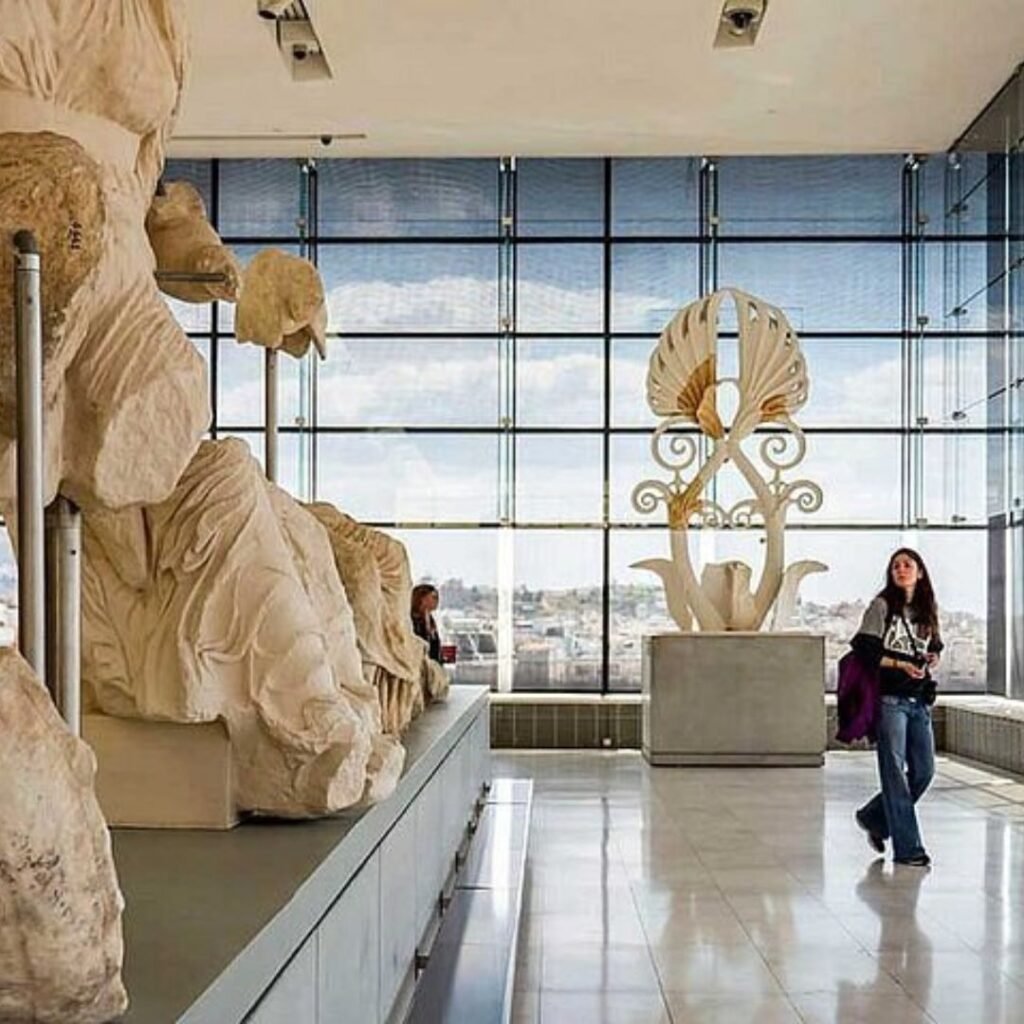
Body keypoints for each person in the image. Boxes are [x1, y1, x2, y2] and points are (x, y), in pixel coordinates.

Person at [852, 548, 943, 868]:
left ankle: (873, 818)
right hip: (890, 699)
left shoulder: (926, 609)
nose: (901, 570)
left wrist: (932, 658)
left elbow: (935, 645)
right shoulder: (881, 606)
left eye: (907, 565)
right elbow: (864, 650)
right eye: (896, 566)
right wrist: (899, 664)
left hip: (919, 700)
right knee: (894, 773)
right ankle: (909, 850)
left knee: (924, 771)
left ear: (920, 572)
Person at [411, 583, 442, 664]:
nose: (437, 600)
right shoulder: (413, 619)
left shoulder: (430, 619)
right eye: (434, 597)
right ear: (422, 598)